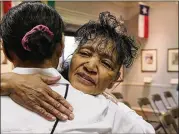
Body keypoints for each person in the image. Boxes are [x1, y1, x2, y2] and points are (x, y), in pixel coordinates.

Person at [1, 2, 154, 133]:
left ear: (115, 80)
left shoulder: (109, 110)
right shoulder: (105, 110)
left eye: (106, 63)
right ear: (63, 49)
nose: (90, 66)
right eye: (85, 53)